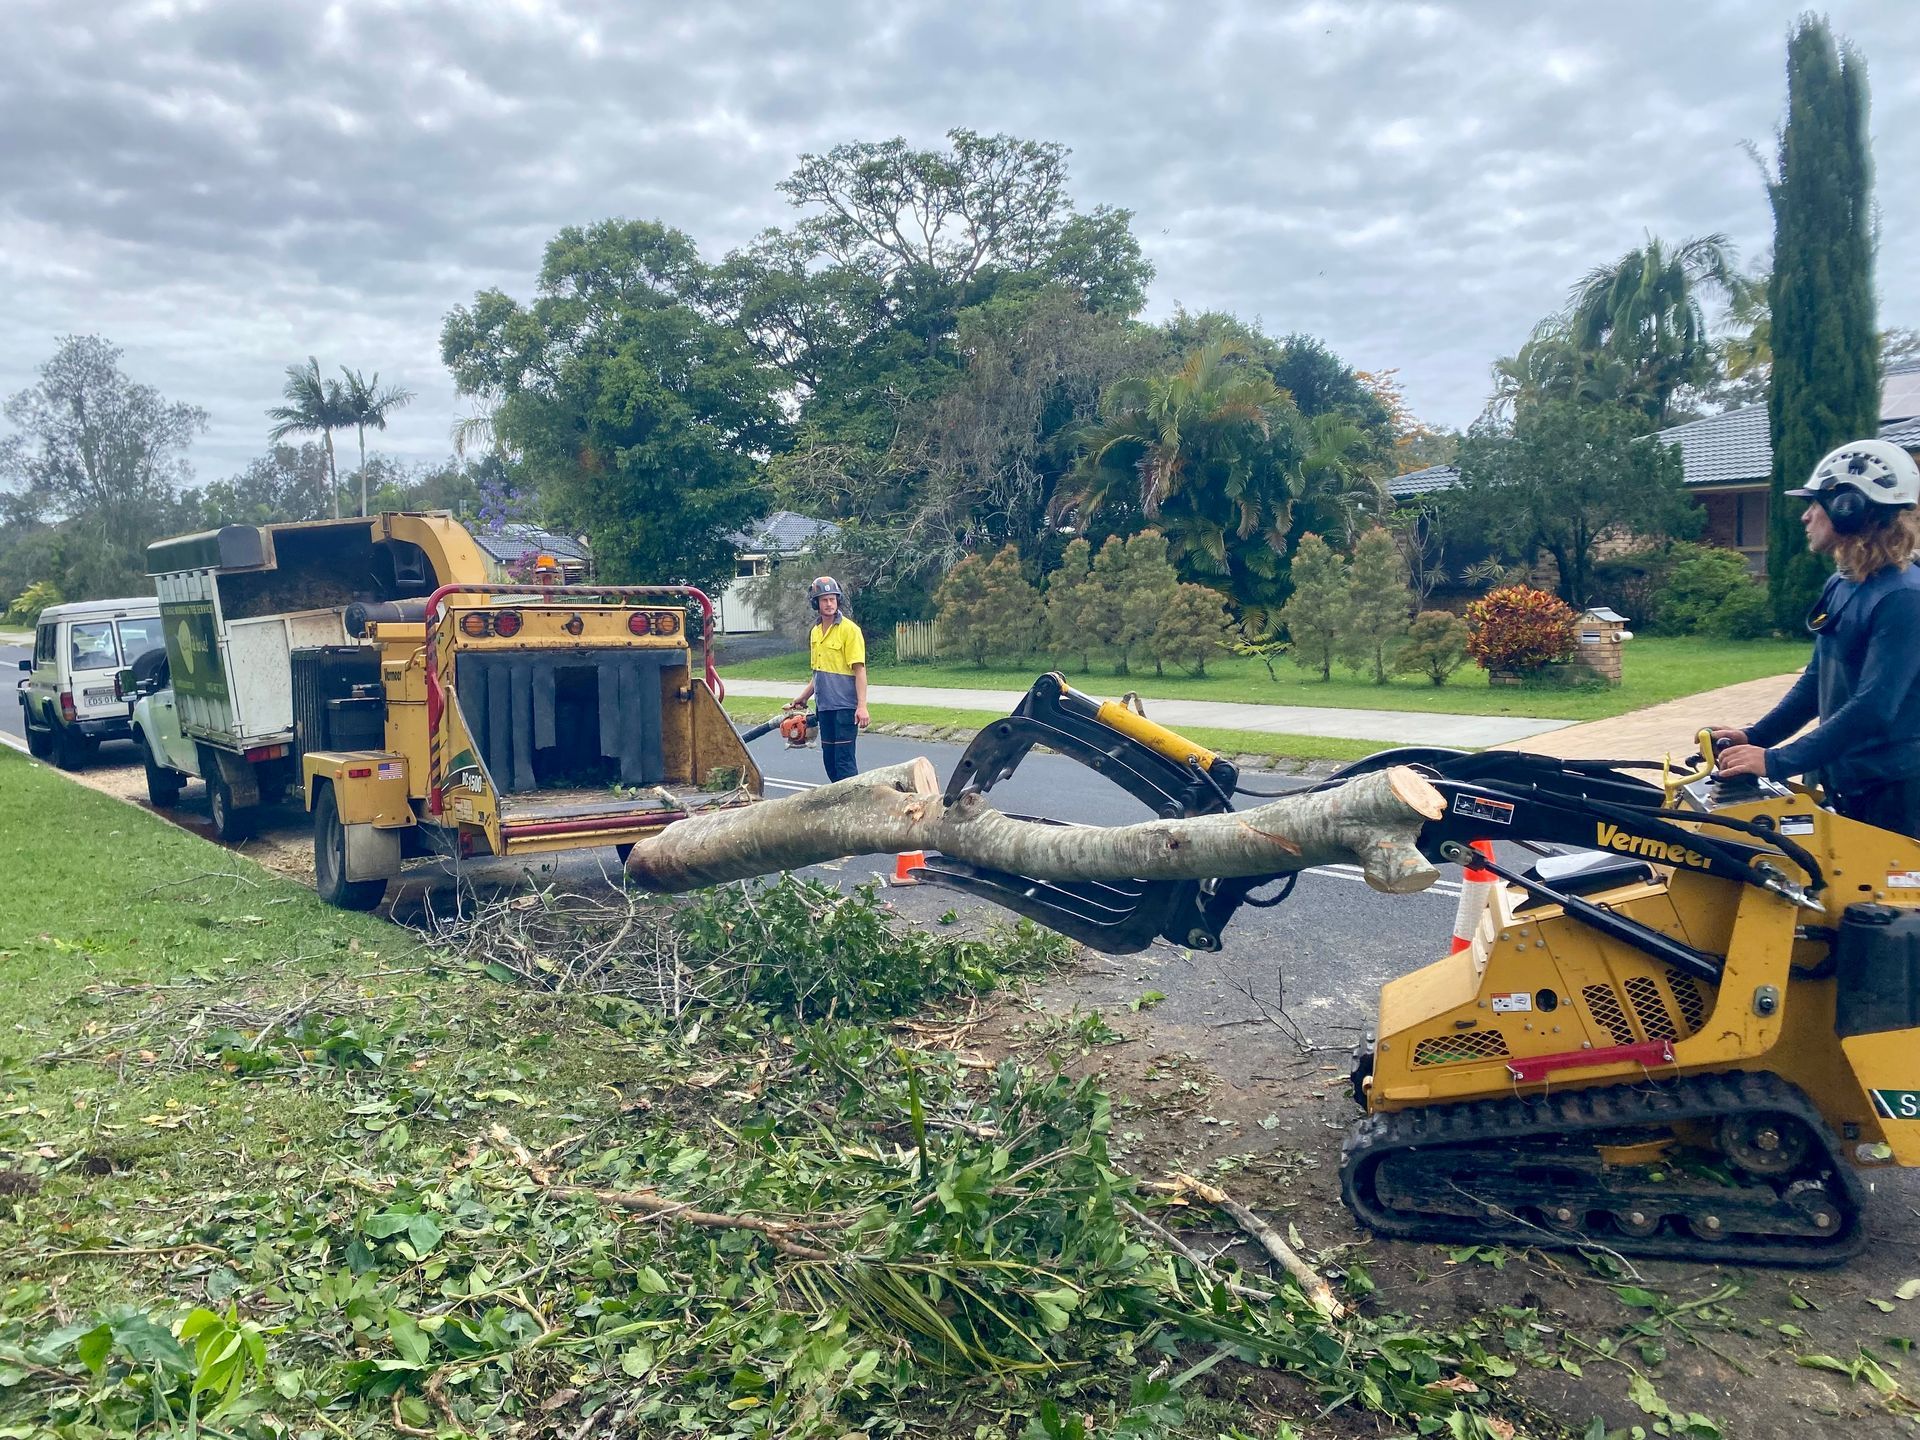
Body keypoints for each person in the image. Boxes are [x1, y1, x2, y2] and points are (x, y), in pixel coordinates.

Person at [1710, 439, 1920, 839]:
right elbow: (1816, 680)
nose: (1805, 517)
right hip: (1846, 778)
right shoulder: (1845, 583)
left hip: (1897, 792)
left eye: (1815, 505)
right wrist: (1756, 737)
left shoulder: (1904, 596)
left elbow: (1875, 707)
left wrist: (1776, 761)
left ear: (1849, 507)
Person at [788, 575, 870, 782]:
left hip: (845, 708)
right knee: (830, 762)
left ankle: (853, 806)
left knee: (844, 763)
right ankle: (839, 804)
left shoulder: (850, 630)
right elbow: (819, 673)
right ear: (816, 603)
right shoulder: (815, 632)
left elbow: (859, 670)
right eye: (824, 599)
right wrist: (803, 697)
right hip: (824, 708)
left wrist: (862, 707)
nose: (829, 603)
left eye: (832, 599)